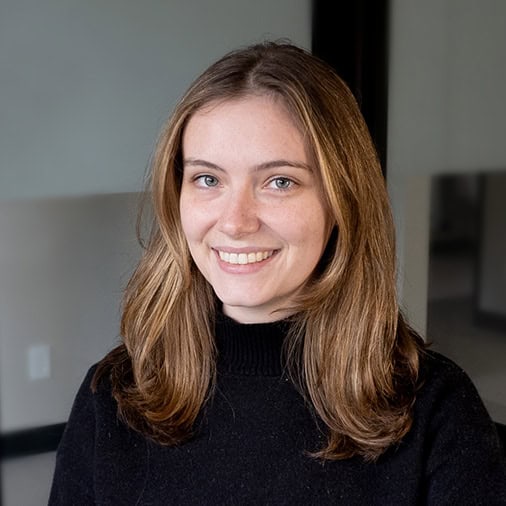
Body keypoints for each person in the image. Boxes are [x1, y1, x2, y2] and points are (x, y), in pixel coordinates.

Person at [49, 41, 506, 505]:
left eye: (279, 182)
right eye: (208, 179)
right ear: (177, 196)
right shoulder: (113, 397)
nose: (235, 221)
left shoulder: (437, 412)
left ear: (340, 203)